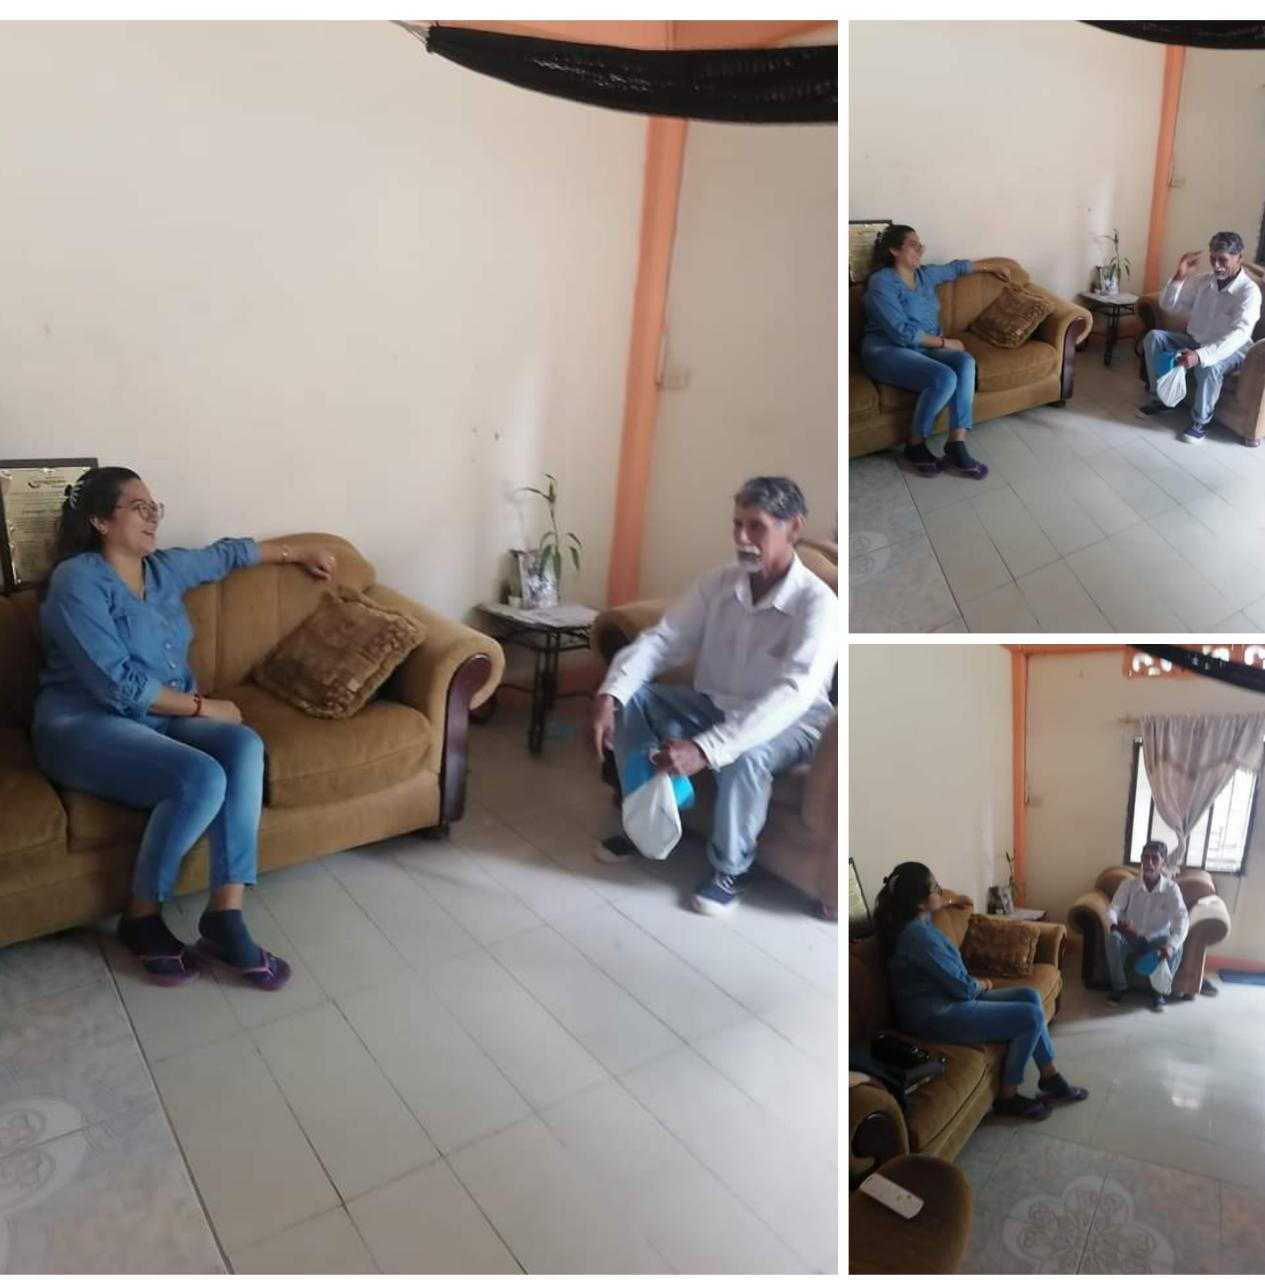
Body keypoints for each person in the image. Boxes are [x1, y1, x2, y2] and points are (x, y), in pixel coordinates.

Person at [33, 466, 339, 988]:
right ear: (101, 521)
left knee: (244, 745)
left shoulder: (163, 570)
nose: (153, 517)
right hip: (82, 724)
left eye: (156, 508)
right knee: (201, 777)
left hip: (159, 718)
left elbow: (227, 555)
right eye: (139, 507)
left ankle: (225, 915)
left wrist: (298, 551)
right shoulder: (77, 580)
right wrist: (202, 706)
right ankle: (140, 916)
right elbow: (117, 685)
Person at [590, 476, 837, 916]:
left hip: (793, 722)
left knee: (747, 755)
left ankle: (731, 868)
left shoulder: (818, 603)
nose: (742, 539)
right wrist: (610, 694)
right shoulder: (719, 582)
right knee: (635, 701)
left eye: (756, 526)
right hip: (716, 704)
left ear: (793, 528)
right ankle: (649, 822)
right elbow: (663, 640)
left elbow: (793, 692)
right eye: (737, 525)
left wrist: (707, 748)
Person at [877, 861, 1088, 1121]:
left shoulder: (916, 919)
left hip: (948, 998)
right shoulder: (917, 938)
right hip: (936, 1016)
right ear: (919, 902)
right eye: (936, 888)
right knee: (1030, 1016)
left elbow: (944, 911)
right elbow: (962, 987)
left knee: (1030, 996)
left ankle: (1050, 1076)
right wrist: (983, 984)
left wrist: (953, 899)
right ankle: (1007, 1097)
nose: (941, 891)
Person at [861, 225, 1014, 479]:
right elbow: (901, 332)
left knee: (965, 361)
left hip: (925, 347)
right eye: (913, 245)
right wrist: (944, 342)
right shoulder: (882, 282)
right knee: (944, 377)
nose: (920, 250)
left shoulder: (925, 275)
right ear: (894, 250)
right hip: (886, 350)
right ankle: (915, 444)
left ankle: (956, 443)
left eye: (921, 245)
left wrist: (992, 266)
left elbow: (956, 268)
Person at [1138, 232, 1262, 446]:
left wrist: (1201, 356)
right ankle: (1161, 399)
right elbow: (1169, 305)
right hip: (1195, 340)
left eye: (1222, 260)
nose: (1217, 266)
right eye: (1213, 259)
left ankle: (1201, 421)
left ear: (1239, 257)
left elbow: (1239, 335)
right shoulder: (1204, 281)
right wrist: (1179, 277)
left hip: (1233, 349)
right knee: (1154, 338)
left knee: (1209, 364)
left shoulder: (1249, 292)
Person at [1104, 840, 1189, 1011]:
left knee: (1176, 947)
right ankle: (1119, 987)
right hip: (1131, 937)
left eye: (1155, 858)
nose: (1149, 862)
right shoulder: (1127, 885)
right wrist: (1115, 925)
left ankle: (1158, 992)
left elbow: (1182, 919)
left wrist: (1170, 946)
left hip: (1157, 940)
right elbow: (1113, 909)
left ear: (1163, 862)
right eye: (1145, 857)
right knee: (1112, 939)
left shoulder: (1171, 889)